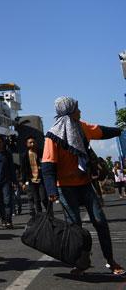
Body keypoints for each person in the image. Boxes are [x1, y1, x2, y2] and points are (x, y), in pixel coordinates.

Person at [42, 96, 125, 276]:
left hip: (85, 183)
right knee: (76, 228)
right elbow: (47, 166)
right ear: (69, 112)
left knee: (100, 221)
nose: (80, 111)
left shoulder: (82, 127)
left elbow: (102, 131)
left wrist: (120, 130)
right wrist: (51, 190)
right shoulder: (52, 136)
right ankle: (81, 262)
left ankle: (110, 261)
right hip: (65, 187)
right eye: (77, 109)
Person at [20, 136, 48, 217]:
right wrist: (23, 182)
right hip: (31, 180)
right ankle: (39, 216)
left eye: (33, 142)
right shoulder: (24, 155)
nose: (32, 144)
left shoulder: (41, 152)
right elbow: (23, 169)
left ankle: (49, 214)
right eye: (30, 142)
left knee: (44, 198)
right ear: (27, 144)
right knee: (36, 200)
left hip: (41, 179)